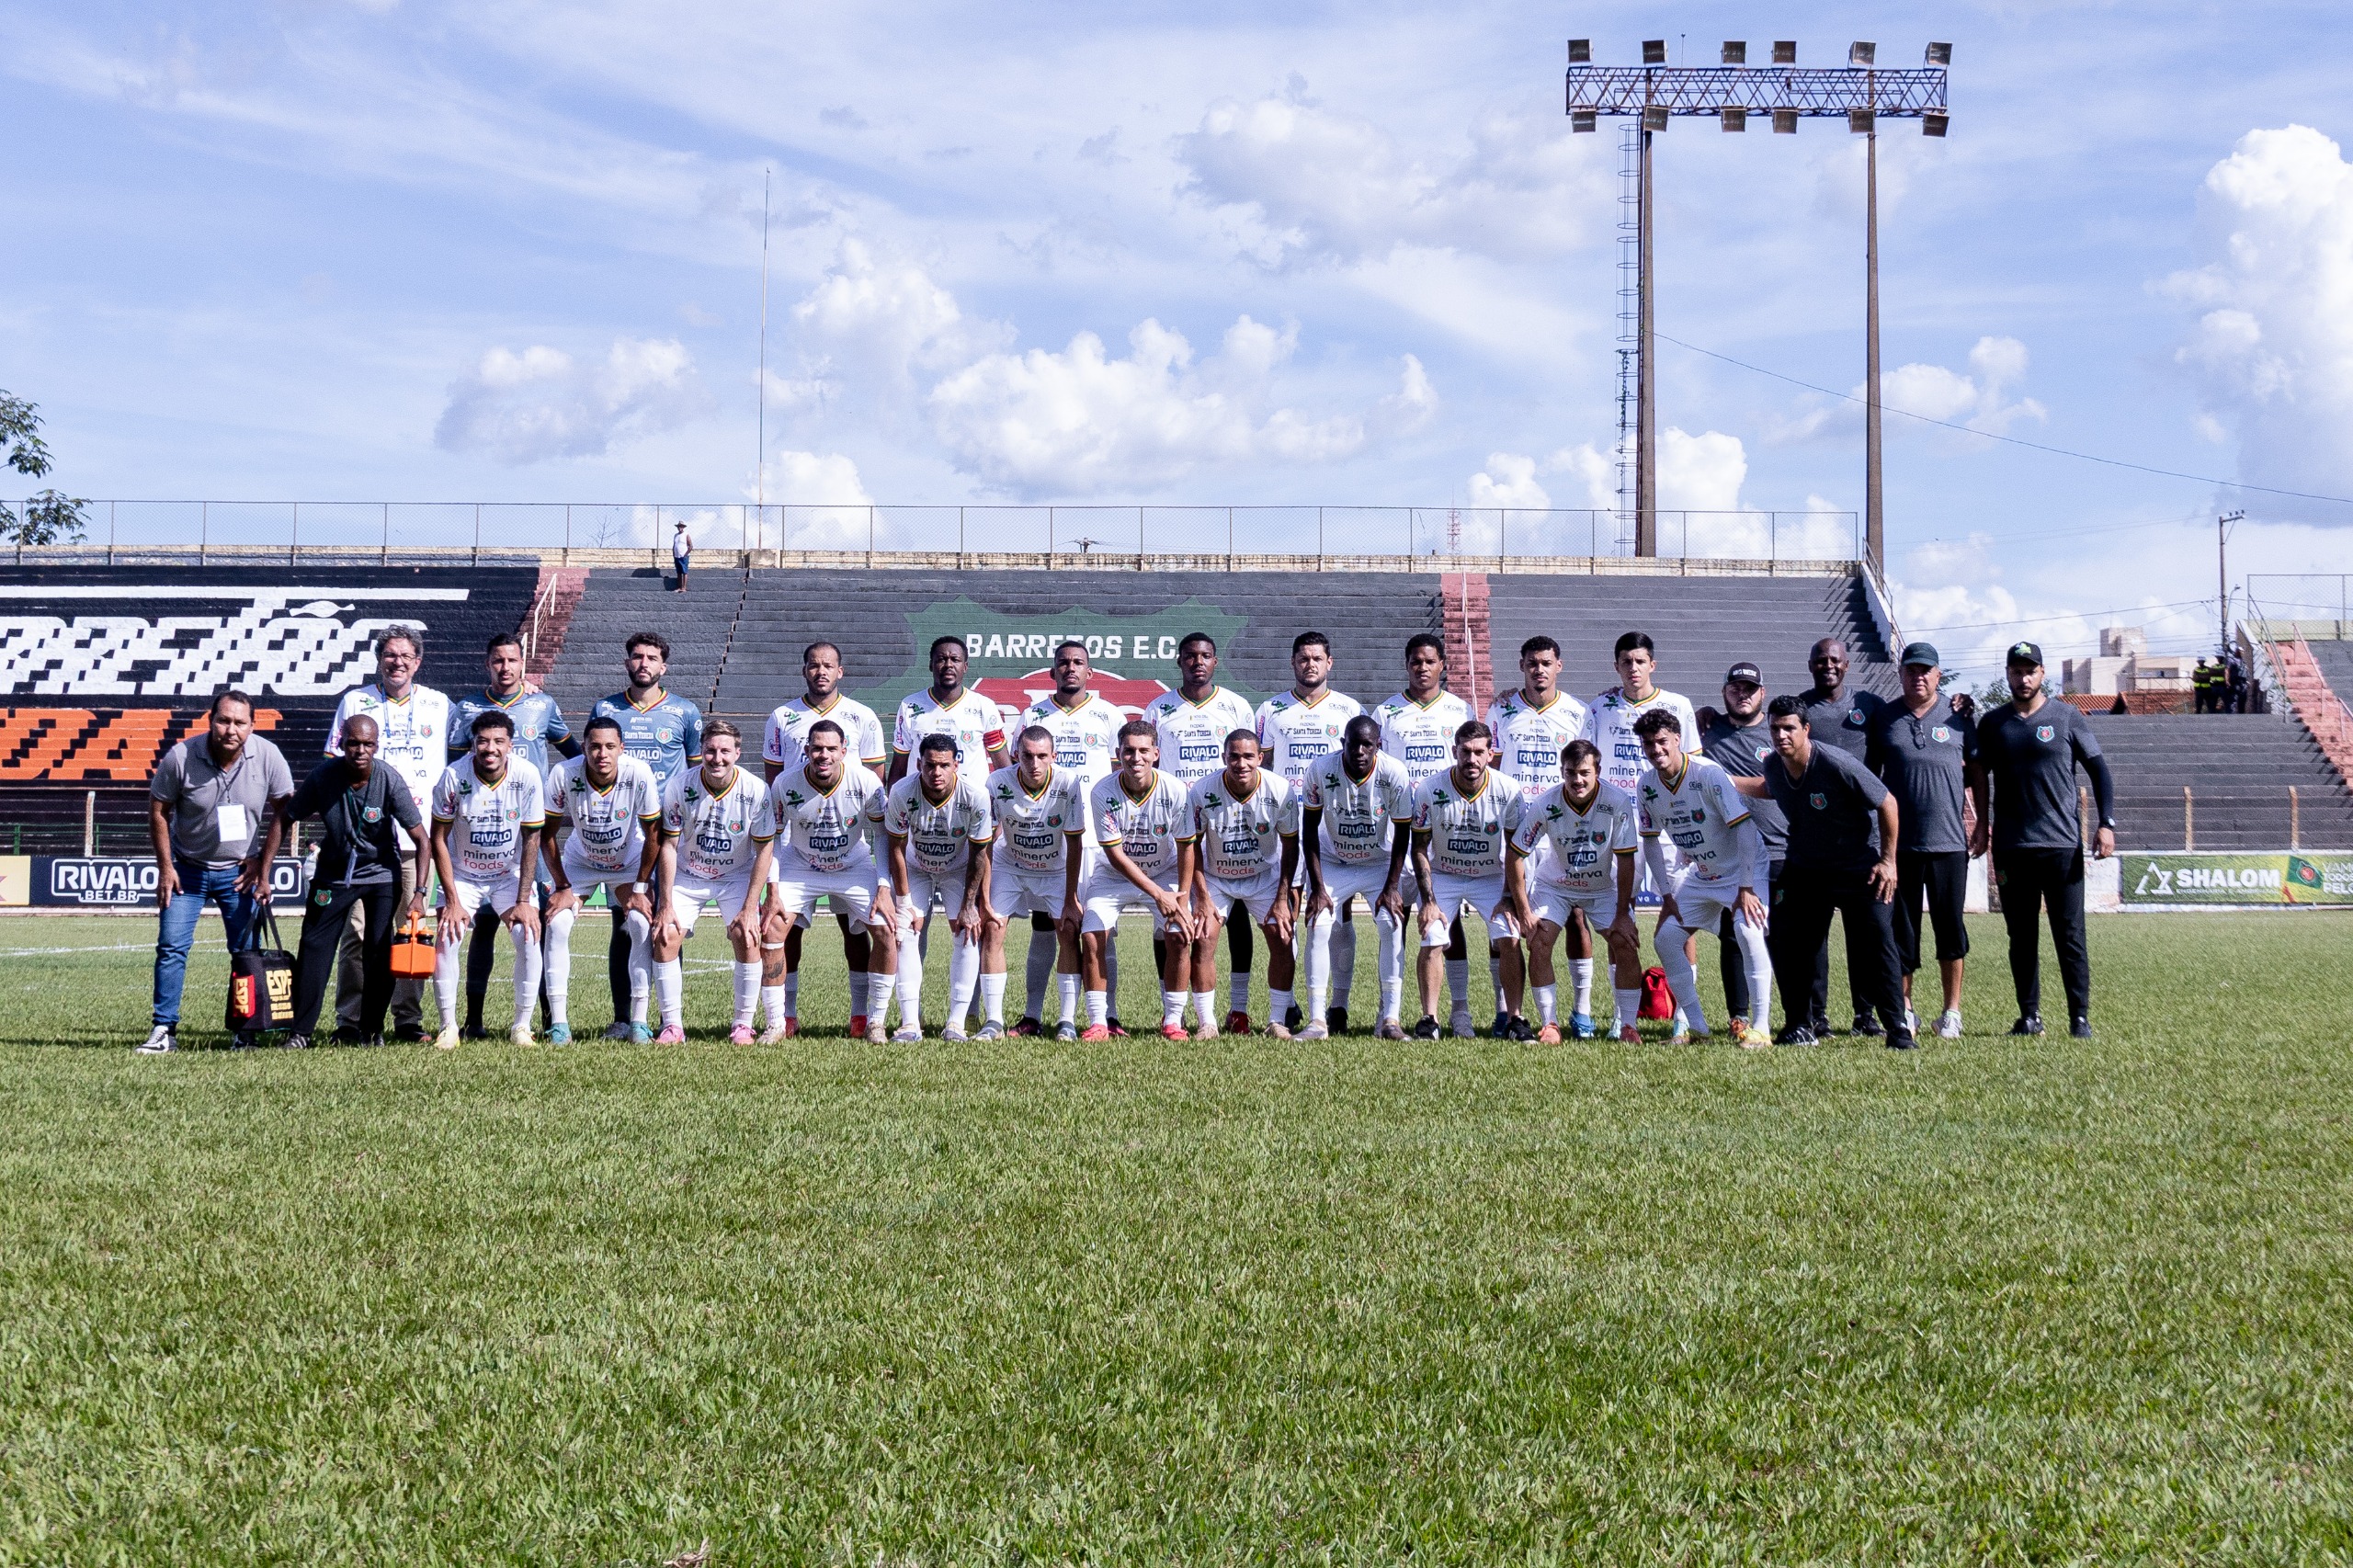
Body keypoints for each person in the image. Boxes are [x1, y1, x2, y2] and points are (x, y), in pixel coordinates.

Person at [1732, 696, 1915, 1051]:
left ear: (1806, 729)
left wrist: (1888, 861)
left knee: (1878, 943)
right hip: (1806, 868)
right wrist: (1720, 778)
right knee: (1784, 937)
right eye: (1775, 728)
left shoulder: (1835, 763)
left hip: (1858, 868)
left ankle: (1898, 1029)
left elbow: (1887, 802)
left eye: (1789, 728)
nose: (1781, 735)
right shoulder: (1773, 765)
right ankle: (1800, 1025)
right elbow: (1768, 787)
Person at [1971, 641, 2115, 1039]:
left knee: (2070, 933)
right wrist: (1982, 824)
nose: (2023, 677)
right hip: (2013, 847)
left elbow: (2099, 770)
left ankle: (2079, 1016)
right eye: (2016, 671)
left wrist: (2107, 823)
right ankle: (2029, 1016)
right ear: (2008, 675)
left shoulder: (2067, 717)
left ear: (2042, 673)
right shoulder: (1993, 723)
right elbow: (1978, 773)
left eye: (2030, 670)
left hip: (2061, 845)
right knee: (2021, 936)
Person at [142, 690, 293, 1051]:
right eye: (224, 720)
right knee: (171, 947)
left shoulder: (268, 756)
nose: (231, 729)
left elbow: (284, 810)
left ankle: (245, 1031)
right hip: (186, 870)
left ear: (252, 726)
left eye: (240, 722)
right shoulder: (181, 756)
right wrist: (165, 868)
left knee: (245, 952)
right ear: (210, 721)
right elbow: (158, 811)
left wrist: (262, 865)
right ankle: (164, 1030)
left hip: (238, 872)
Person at [449, 631, 577, 1040]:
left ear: (524, 664)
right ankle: (473, 1021)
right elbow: (453, 768)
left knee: (532, 924)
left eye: (512, 661)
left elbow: (572, 750)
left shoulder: (543, 704)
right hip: (480, 832)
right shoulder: (467, 707)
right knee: (482, 928)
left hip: (528, 835)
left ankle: (540, 1020)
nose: (505, 668)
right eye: (498, 661)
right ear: (488, 665)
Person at [325, 626, 449, 1040]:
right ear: (379, 659)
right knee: (358, 935)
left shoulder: (439, 704)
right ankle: (351, 1020)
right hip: (366, 848)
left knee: (410, 933)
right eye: (389, 655)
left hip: (418, 845)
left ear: (418, 662)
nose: (397, 662)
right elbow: (331, 770)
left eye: (405, 656)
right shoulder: (354, 702)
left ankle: (407, 1021)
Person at [277, 713, 426, 1051]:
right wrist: (263, 867)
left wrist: (418, 893)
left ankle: (371, 1030)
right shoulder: (323, 777)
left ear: (376, 746)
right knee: (315, 947)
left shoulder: (388, 779)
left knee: (379, 948)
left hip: (379, 874)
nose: (360, 750)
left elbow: (422, 838)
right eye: (353, 743)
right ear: (341, 744)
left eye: (368, 744)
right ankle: (300, 1032)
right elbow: (285, 817)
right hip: (334, 874)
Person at [763, 641, 888, 1040]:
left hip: (850, 851)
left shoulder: (862, 716)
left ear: (840, 671)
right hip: (801, 849)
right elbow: (775, 785)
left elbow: (874, 790)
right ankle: (783, 1017)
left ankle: (864, 1017)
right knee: (786, 928)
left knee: (857, 931)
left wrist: (883, 883)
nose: (821, 671)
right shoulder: (782, 716)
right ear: (804, 670)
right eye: (814, 665)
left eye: (828, 665)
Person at [1865, 642, 1985, 1040]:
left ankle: (1952, 1012)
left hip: (1949, 844)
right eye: (1911, 669)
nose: (1918, 676)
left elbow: (1978, 773)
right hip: (1900, 849)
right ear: (1901, 674)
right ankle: (1907, 1010)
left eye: (1926, 670)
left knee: (1951, 931)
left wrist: (1983, 822)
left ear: (1938, 675)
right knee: (1902, 932)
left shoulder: (1958, 716)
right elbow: (1871, 779)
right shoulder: (1884, 718)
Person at [1632, 709, 1773, 1048]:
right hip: (1702, 875)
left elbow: (1744, 827)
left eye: (1662, 741)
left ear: (1678, 739)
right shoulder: (1647, 785)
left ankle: (1761, 1027)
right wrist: (1666, 894)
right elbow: (1650, 842)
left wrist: (1746, 886)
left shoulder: (1708, 774)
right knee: (1666, 939)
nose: (1656, 750)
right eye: (1649, 744)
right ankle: (1697, 1028)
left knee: (1746, 930)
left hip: (1744, 869)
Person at [1144, 632, 1260, 1033]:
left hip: (1225, 819)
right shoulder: (1159, 708)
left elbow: (1252, 761)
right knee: (1172, 920)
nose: (1198, 662)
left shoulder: (1235, 706)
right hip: (1176, 822)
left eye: (1206, 655)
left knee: (1234, 913)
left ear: (1215, 662)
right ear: (1179, 662)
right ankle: (1170, 1006)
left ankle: (1239, 1008)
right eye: (1190, 656)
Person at [592, 632, 704, 1038]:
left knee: (667, 923)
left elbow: (696, 774)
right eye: (637, 656)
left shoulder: (685, 712)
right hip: (622, 834)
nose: (644, 663)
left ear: (664, 667)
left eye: (652, 658)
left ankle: (667, 1020)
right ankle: (623, 1018)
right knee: (624, 925)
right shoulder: (605, 708)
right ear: (627, 663)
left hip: (669, 834)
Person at [1020, 641, 1128, 1035]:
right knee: (1046, 924)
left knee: (1101, 928)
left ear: (1090, 672)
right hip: (1048, 838)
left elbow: (1124, 775)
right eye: (1063, 663)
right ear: (1052, 671)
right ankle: (1033, 1014)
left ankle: (1107, 1015)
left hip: (1097, 839)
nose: (1070, 669)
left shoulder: (1109, 715)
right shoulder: (1033, 715)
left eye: (1078, 663)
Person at [1257, 631, 1363, 1032]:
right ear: (1293, 663)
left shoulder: (1348, 708)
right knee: (1293, 905)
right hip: (1287, 820)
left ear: (1330, 662)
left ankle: (1337, 1005)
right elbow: (1260, 764)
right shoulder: (1272, 709)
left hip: (1335, 821)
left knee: (1338, 911)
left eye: (1317, 658)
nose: (1310, 664)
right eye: (1303, 658)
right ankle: (1290, 1002)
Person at [1376, 633, 1477, 1035]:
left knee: (1448, 924)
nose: (1422, 667)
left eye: (1430, 661)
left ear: (1442, 666)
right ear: (1407, 664)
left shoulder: (1459, 708)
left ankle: (1461, 1010)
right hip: (1400, 831)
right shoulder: (1387, 712)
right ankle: (1393, 1012)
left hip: (1445, 831)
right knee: (1394, 920)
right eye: (1415, 661)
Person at [1486, 633, 1589, 1032]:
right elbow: (1490, 766)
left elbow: (1586, 771)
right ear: (1522, 666)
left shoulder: (1579, 713)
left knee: (1577, 916)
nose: (1539, 670)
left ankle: (1580, 1012)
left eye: (1546, 663)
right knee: (1507, 918)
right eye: (1532, 663)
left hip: (1563, 829)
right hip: (1514, 830)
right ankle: (1505, 1010)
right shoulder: (1502, 708)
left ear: (1558, 666)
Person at [1507, 738, 1641, 1044]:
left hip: (1600, 888)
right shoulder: (1546, 803)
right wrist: (1525, 910)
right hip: (1556, 886)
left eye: (1584, 772)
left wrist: (1622, 913)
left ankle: (1629, 1026)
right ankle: (1549, 1023)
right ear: (1562, 772)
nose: (1577, 780)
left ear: (1598, 771)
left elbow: (1625, 858)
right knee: (1539, 942)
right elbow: (1516, 853)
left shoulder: (1616, 801)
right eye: (1570, 773)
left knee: (1625, 941)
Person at [427, 710, 545, 1049]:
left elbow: (533, 838)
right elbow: (438, 838)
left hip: (508, 876)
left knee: (528, 935)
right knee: (448, 937)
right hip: (463, 874)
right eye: (482, 741)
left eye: (498, 741)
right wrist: (451, 900)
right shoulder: (453, 776)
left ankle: (522, 1026)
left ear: (510, 745)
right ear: (472, 744)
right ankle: (448, 1026)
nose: (489, 748)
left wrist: (524, 901)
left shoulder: (527, 775)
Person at [541, 715, 662, 1044]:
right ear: (584, 748)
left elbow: (654, 832)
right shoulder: (564, 774)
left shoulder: (638, 773)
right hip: (581, 861)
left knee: (638, 922)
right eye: (594, 746)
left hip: (627, 860)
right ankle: (559, 1025)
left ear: (622, 748)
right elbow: (546, 834)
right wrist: (563, 886)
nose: (602, 753)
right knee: (557, 924)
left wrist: (640, 887)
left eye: (610, 746)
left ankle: (638, 1022)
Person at [1796, 636, 1895, 1036]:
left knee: (1865, 933)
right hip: (1815, 842)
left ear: (1847, 664)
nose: (1828, 666)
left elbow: (1908, 722)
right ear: (1810, 665)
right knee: (1814, 937)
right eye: (1821, 660)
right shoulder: (1801, 709)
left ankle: (1864, 1014)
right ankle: (1817, 1015)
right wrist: (1712, 714)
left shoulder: (1869, 706)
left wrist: (1959, 706)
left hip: (1864, 841)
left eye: (1835, 660)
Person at [650, 722, 772, 1043]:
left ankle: (743, 1025)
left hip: (736, 874)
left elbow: (764, 850)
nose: (717, 758)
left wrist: (749, 908)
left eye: (725, 751)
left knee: (747, 936)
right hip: (689, 874)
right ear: (700, 752)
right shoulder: (679, 786)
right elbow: (669, 846)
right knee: (665, 936)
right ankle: (672, 1026)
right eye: (710, 751)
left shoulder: (756, 790)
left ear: (738, 753)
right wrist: (665, 904)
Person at [1176, 730, 1301, 1038]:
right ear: (1224, 758)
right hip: (1218, 879)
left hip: (1264, 877)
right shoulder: (1203, 791)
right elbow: (1193, 846)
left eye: (1248, 756)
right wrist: (1202, 896)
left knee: (1283, 937)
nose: (1240, 763)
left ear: (1260, 758)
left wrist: (1283, 897)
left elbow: (1291, 846)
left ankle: (1276, 1021)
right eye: (1234, 756)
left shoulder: (1280, 790)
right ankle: (1208, 1023)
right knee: (1204, 938)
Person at [1409, 721, 1528, 1040]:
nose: (1471, 759)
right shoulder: (1429, 789)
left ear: (1491, 754)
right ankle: (1429, 1019)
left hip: (1490, 876)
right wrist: (1429, 902)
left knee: (1509, 934)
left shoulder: (1508, 790)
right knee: (1433, 935)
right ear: (1455, 752)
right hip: (1445, 874)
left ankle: (1515, 1018)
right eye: (1465, 752)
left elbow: (1516, 851)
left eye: (1479, 752)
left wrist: (1508, 897)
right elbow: (1419, 847)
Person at [1300, 715, 1414, 1039]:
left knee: (1392, 922)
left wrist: (1392, 887)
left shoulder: (1395, 773)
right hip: (1335, 860)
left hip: (1378, 862)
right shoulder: (1321, 769)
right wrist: (1318, 887)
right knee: (1319, 922)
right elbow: (1309, 830)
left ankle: (1390, 1020)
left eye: (1368, 744)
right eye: (1354, 743)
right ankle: (1318, 1021)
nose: (1361, 751)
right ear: (1343, 743)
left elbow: (1403, 831)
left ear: (1378, 746)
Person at [1085, 721, 1198, 1040]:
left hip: (1163, 871)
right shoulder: (1102, 792)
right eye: (1128, 751)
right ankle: (1099, 1021)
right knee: (1093, 935)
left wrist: (1182, 897)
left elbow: (1186, 845)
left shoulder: (1175, 789)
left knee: (1178, 934)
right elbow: (1116, 856)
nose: (1136, 758)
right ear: (1117, 754)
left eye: (1143, 750)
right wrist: (1159, 895)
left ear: (1156, 754)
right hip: (1113, 875)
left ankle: (1173, 1020)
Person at [980, 726, 1088, 1040]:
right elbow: (986, 843)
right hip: (1010, 864)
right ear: (1016, 755)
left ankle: (1066, 1021)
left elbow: (1075, 842)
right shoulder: (997, 782)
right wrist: (984, 898)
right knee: (992, 929)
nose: (1035, 764)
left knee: (1068, 930)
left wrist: (1070, 898)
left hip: (1054, 868)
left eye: (1042, 756)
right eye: (1027, 756)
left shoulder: (1068, 783)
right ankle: (994, 1021)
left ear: (1054, 756)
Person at [884, 734, 995, 1040]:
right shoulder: (902, 791)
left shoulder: (975, 795)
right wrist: (904, 901)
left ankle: (956, 1023)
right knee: (904, 932)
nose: (937, 772)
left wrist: (969, 904)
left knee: (967, 931)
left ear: (956, 765)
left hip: (958, 867)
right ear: (918, 764)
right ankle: (909, 1024)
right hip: (916, 866)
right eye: (930, 765)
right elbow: (895, 846)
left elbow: (979, 853)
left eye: (944, 765)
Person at [1697, 663, 1785, 1031]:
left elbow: (1774, 784)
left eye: (1750, 688)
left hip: (1778, 845)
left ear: (1762, 693)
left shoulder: (1777, 731)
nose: (1743, 694)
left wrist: (1724, 781)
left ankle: (1808, 1014)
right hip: (1730, 852)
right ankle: (1739, 1015)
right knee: (1735, 933)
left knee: (1785, 935)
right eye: (1736, 688)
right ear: (1724, 693)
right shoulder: (1708, 730)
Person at [672, 519, 692, 591]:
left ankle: (684, 587)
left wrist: (686, 554)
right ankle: (680, 587)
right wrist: (673, 554)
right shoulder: (676, 535)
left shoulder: (686, 535)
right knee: (679, 572)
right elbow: (674, 545)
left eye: (681, 527)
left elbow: (690, 546)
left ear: (683, 527)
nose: (680, 528)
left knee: (684, 571)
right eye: (679, 527)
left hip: (683, 556)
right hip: (677, 556)